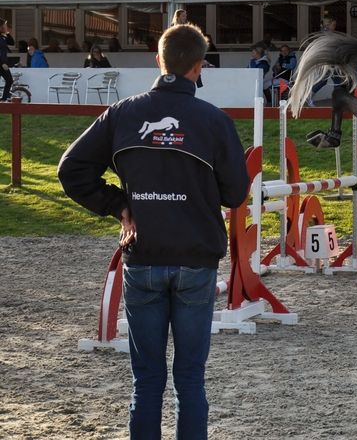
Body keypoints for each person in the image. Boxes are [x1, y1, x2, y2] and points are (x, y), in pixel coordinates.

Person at [57, 23, 249, 439]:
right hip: (196, 260)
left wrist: (118, 205)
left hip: (142, 257)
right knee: (190, 379)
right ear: (199, 67)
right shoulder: (215, 121)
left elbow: (70, 170)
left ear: (158, 60)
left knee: (146, 381)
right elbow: (235, 194)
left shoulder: (123, 113)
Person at [0, 19, 13, 101]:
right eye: (4, 25)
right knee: (9, 80)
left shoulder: (2, 37)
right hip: (1, 64)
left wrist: (7, 32)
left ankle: (3, 99)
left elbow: (12, 42)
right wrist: (2, 63)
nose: (6, 27)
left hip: (2, 64)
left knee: (9, 80)